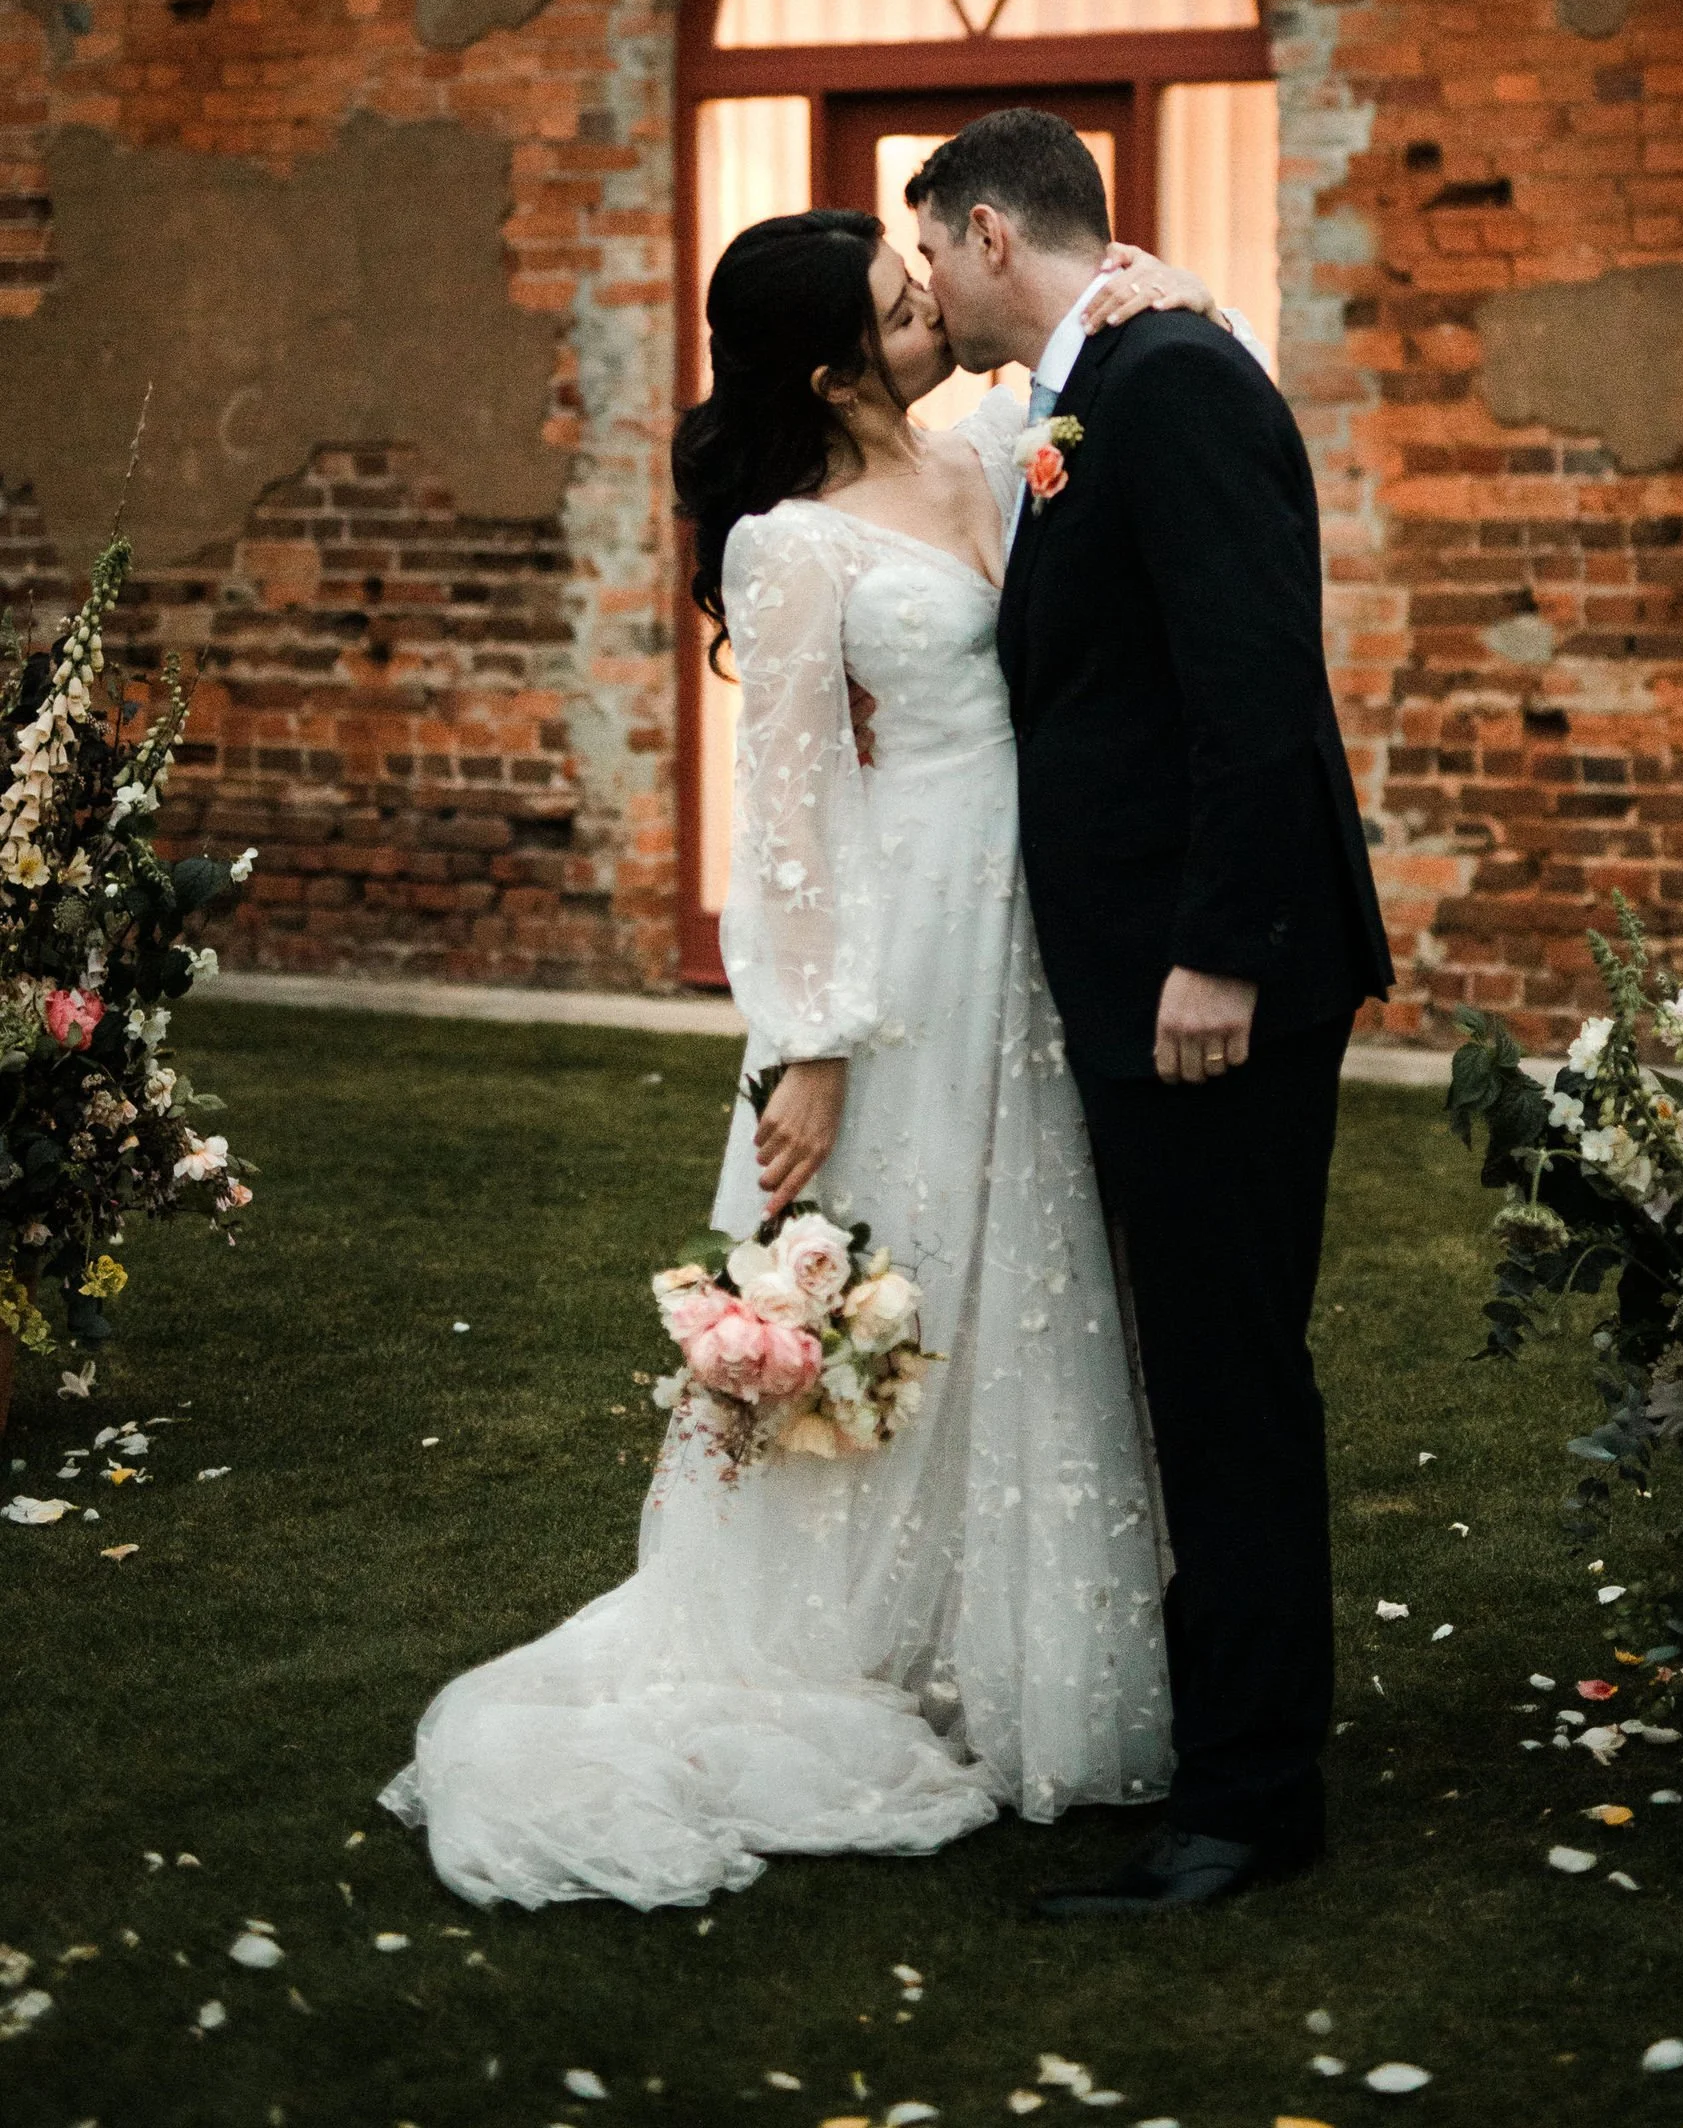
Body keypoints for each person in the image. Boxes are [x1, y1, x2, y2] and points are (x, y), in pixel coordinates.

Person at [379, 209, 1240, 1909]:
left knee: (1033, 1274)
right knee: (901, 1262)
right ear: (833, 363)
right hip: (911, 935)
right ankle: (836, 1639)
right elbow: (786, 819)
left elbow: (1102, 320)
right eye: (897, 298)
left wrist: (1156, 284)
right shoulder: (788, 544)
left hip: (1040, 924)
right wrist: (811, 1045)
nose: (933, 301)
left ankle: (1018, 1644)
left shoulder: (997, 442)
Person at [908, 107, 1393, 1917]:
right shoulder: (1094, 375)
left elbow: (1258, 673)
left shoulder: (1173, 376)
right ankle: (1228, 1745)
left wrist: (1225, 948)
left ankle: (1254, 1801)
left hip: (1216, 980)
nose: (927, 293)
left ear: (980, 233)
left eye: (928, 259)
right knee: (1200, 1366)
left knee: (1230, 1375)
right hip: (1150, 966)